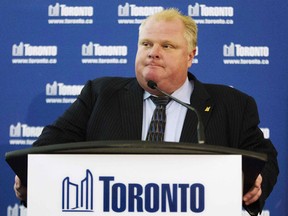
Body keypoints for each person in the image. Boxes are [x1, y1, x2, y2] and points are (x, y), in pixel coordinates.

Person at [14, 8, 278, 215]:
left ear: (190, 55)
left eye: (167, 46)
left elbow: (264, 157)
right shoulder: (100, 94)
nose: (153, 53)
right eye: (146, 44)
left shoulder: (231, 104)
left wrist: (256, 185)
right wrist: (31, 176)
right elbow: (49, 145)